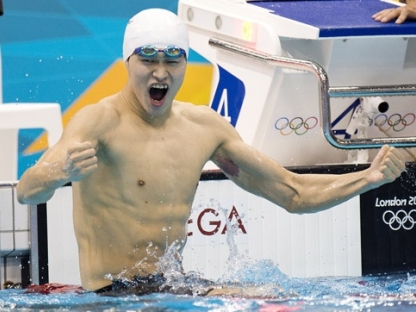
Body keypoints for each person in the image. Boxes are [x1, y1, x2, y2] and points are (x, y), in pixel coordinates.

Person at [17, 8, 406, 295]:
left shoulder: (204, 128)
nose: (161, 73)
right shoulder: (98, 122)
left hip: (172, 287)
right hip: (112, 294)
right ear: (127, 61)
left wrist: (368, 179)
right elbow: (27, 190)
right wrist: (57, 171)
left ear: (186, 63)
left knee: (273, 297)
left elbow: (292, 192)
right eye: (148, 60)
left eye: (173, 60)